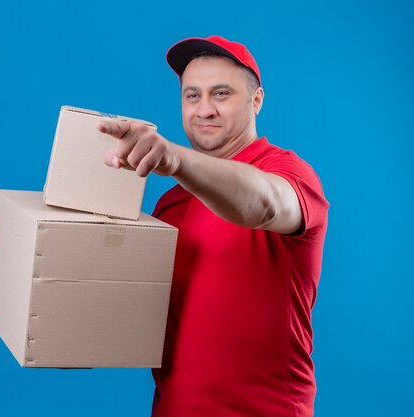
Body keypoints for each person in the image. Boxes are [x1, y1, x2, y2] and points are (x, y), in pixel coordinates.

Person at [97, 35, 329, 417]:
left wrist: (176, 159)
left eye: (221, 94)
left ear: (257, 100)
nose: (204, 109)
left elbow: (266, 204)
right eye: (192, 96)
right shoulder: (170, 204)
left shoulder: (288, 173)